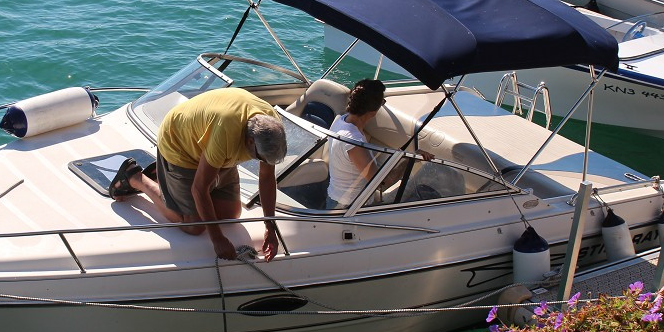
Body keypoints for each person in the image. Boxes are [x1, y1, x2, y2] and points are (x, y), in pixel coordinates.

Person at [109, 88, 288, 261]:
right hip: (179, 144)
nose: (262, 162)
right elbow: (199, 189)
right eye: (259, 158)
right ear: (249, 141)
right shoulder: (226, 134)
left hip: (211, 146)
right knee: (194, 226)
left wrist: (270, 226)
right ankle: (136, 178)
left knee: (230, 214)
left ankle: (168, 179)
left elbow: (266, 177)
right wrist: (217, 239)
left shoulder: (271, 123)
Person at [326, 79, 431, 210]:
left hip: (336, 198)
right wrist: (409, 159)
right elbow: (381, 184)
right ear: (373, 111)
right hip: (350, 207)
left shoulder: (341, 121)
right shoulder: (354, 142)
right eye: (382, 102)